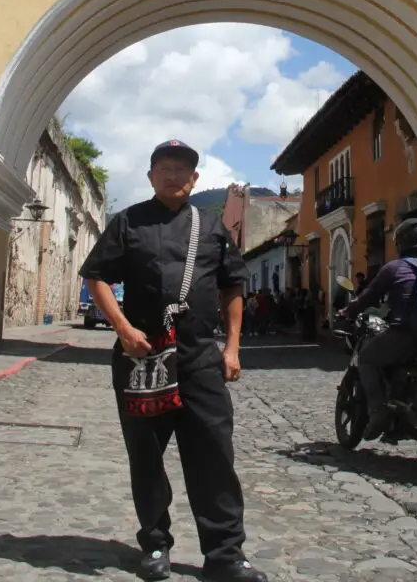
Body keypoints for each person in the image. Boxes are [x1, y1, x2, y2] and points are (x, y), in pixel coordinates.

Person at [80, 140, 268, 582]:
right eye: (164, 168)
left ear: (195, 179)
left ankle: (225, 554)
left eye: (182, 169)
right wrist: (123, 330)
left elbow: (233, 285)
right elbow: (97, 275)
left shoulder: (211, 226)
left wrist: (233, 347)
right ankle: (155, 544)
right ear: (150, 176)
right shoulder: (128, 222)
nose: (173, 176)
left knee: (214, 456)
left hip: (200, 359)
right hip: (141, 359)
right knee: (146, 456)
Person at [340, 217, 417, 438]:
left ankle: (378, 411)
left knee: (367, 358)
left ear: (401, 243)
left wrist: (348, 312)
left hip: (409, 333)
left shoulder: (396, 267)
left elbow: (369, 296)